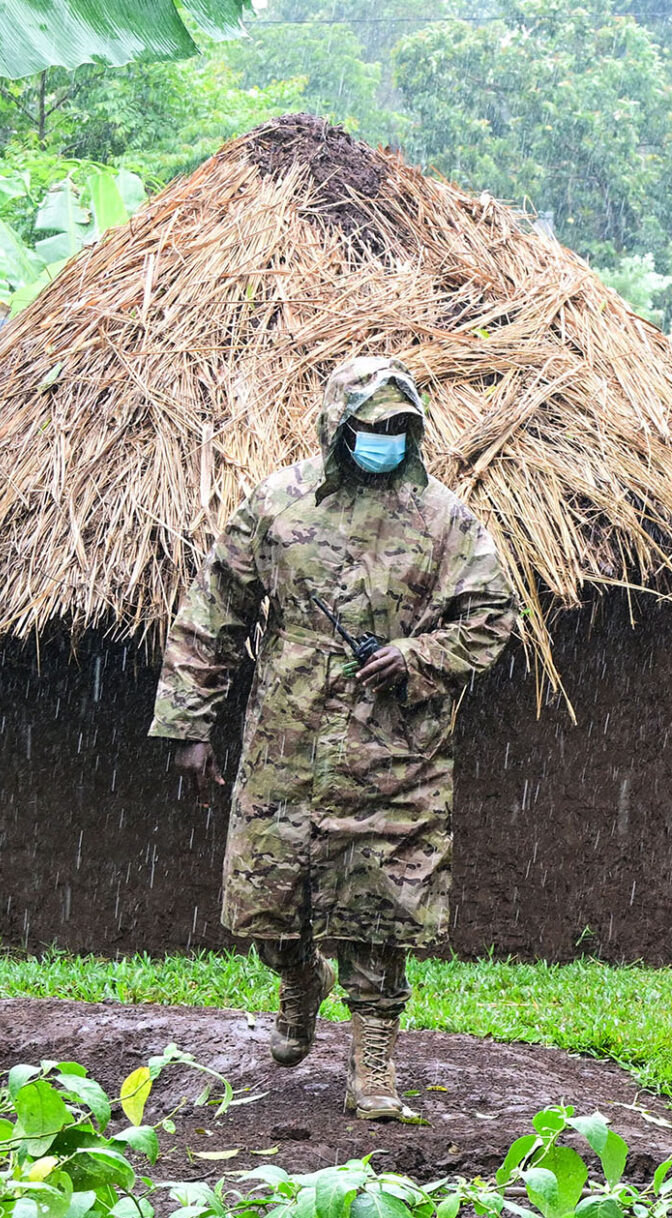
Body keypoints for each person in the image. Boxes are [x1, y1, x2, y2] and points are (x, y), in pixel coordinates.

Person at [150, 355, 515, 1120]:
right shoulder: (278, 505)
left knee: (382, 905)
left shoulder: (445, 520)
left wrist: (416, 656)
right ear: (338, 428)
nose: (384, 438)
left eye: (397, 427)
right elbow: (214, 610)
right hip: (286, 743)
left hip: (394, 754)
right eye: (370, 426)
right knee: (265, 899)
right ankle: (297, 979)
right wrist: (191, 724)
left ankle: (372, 1060)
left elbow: (491, 618)